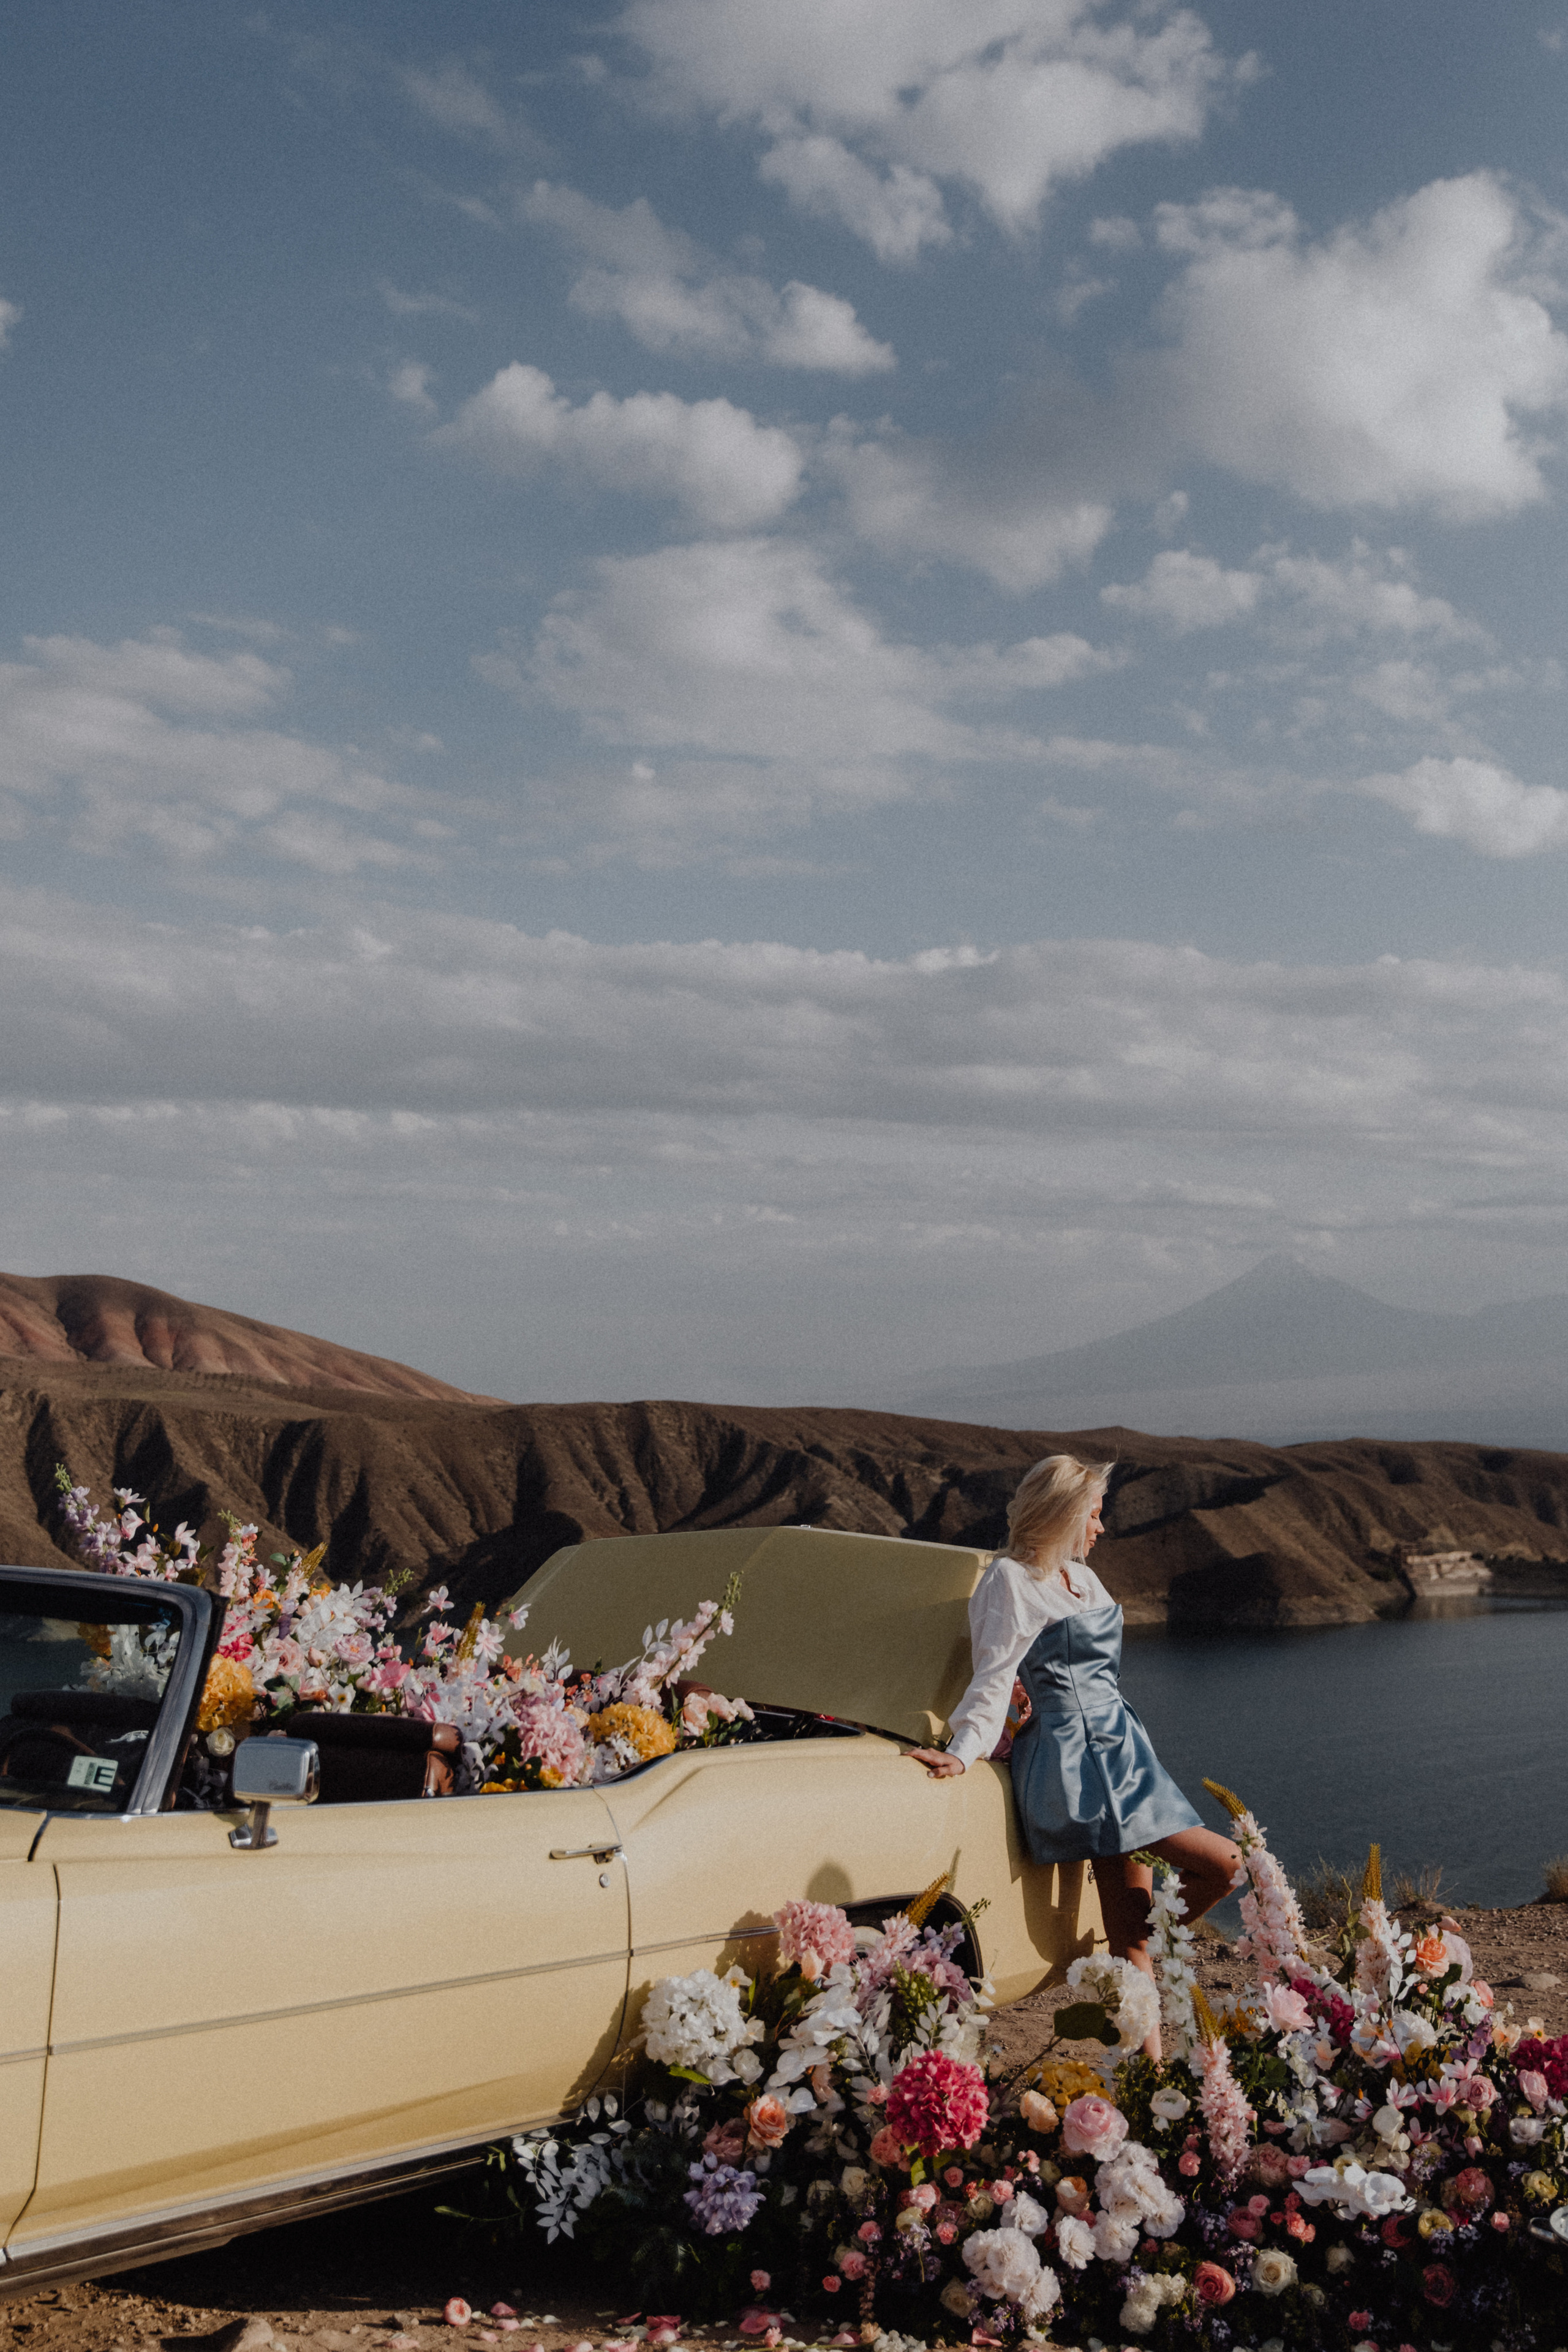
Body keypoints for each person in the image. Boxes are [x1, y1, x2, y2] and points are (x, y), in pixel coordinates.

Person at [906, 1452, 1240, 2056]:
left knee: (1130, 1936)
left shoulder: (1083, 1579)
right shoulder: (1007, 1582)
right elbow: (991, 1679)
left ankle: (1150, 2073)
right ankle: (1140, 2027)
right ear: (1064, 1515)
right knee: (1223, 1865)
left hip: (1122, 1750)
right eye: (1095, 1513)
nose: (1102, 1527)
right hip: (1070, 1760)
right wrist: (962, 1753)